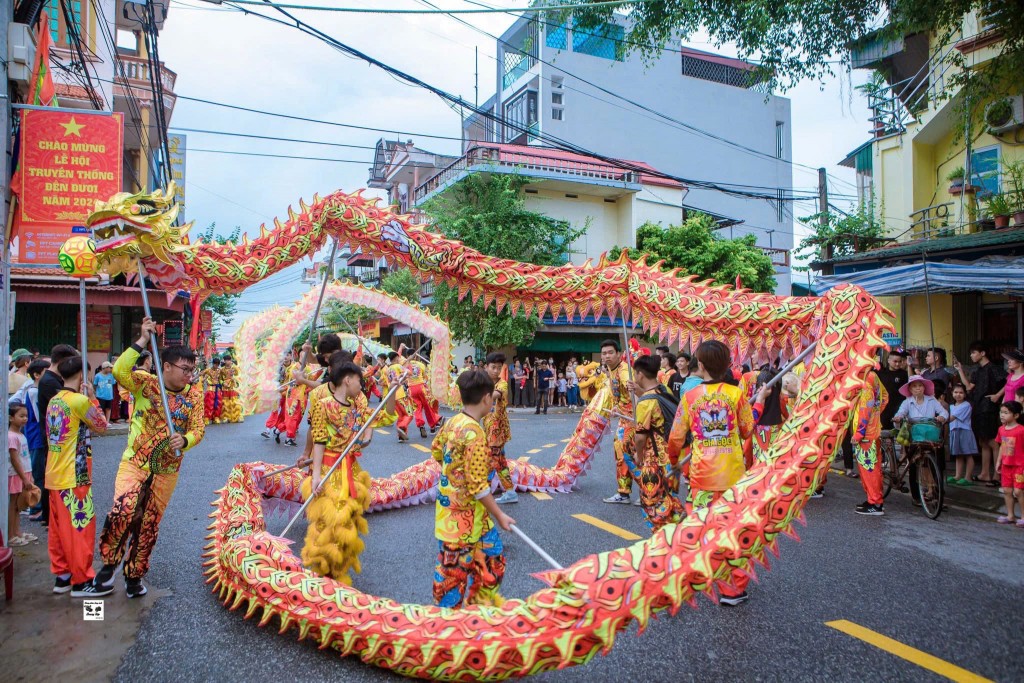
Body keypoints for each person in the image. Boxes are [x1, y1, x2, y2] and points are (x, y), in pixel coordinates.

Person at [93, 318, 205, 598]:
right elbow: (119, 370)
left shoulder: (194, 395)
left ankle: (135, 575)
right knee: (124, 509)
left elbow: (199, 428)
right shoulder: (145, 384)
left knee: (148, 525)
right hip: (135, 463)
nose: (189, 374)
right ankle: (109, 564)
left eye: (193, 369)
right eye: (185, 369)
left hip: (167, 471)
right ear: (166, 366)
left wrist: (187, 439)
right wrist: (142, 340)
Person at [666, 340, 756, 606]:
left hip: (702, 478)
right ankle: (733, 589)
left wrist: (674, 461)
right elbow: (747, 430)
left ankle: (698, 576)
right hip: (733, 478)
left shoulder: (690, 397)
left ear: (701, 366)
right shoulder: (736, 394)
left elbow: (675, 438)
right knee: (735, 532)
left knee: (704, 529)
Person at [302, 361, 393, 583]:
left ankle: (339, 571)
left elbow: (387, 415)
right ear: (347, 379)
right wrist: (315, 477)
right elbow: (320, 441)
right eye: (359, 381)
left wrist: (393, 389)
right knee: (327, 523)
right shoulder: (322, 405)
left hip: (351, 471)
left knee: (347, 524)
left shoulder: (358, 409)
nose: (362, 386)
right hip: (329, 470)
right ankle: (322, 571)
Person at [432, 370, 515, 608]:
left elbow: (436, 450)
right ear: (487, 399)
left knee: (492, 562)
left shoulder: (453, 422)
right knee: (452, 580)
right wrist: (500, 515)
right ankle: (449, 631)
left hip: (466, 516)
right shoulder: (476, 435)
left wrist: (454, 475)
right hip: (460, 523)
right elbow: (479, 487)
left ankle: (476, 613)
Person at [45, 356, 109, 597]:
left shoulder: (55, 400)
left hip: (54, 472)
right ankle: (82, 581)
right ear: (83, 375)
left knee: (59, 530)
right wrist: (92, 396)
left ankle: (62, 576)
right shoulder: (79, 401)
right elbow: (101, 425)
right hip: (74, 474)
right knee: (80, 529)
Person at [630, 355, 684, 531]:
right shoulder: (664, 390)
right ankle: (682, 538)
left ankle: (665, 544)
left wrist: (638, 457)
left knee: (653, 505)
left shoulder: (646, 402)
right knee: (671, 500)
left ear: (639, 375)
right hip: (673, 457)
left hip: (654, 461)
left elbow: (640, 437)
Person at [35, 344, 81, 527]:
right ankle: (49, 516)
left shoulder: (51, 379)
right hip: (53, 435)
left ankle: (53, 515)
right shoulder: (50, 382)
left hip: (56, 434)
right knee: (52, 475)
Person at [953, 341, 1005, 486]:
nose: (971, 355)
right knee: (983, 441)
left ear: (982, 353)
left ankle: (997, 474)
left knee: (993, 442)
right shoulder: (978, 371)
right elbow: (968, 387)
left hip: (989, 407)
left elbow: (1009, 381)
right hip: (978, 407)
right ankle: (984, 473)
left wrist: (997, 395)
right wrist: (960, 370)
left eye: (974, 352)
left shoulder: (994, 368)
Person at [598, 340, 637, 504]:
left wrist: (637, 419)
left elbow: (635, 393)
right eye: (604, 353)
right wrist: (616, 407)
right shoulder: (611, 369)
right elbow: (620, 395)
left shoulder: (625, 372)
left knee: (628, 456)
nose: (607, 356)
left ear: (619, 354)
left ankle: (646, 494)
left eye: (610, 352)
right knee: (624, 455)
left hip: (633, 421)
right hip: (624, 418)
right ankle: (625, 492)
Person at [847, 371, 890, 516]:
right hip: (873, 429)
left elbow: (865, 408)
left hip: (866, 433)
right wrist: (876, 415)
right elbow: (884, 397)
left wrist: (860, 431)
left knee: (869, 468)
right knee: (872, 467)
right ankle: (874, 500)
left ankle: (875, 503)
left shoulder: (865, 380)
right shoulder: (873, 376)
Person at [13, 359, 48, 518]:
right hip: (36, 436)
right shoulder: (34, 391)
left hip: (34, 436)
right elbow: (38, 416)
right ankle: (35, 507)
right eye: (46, 372)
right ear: (36, 374)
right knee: (36, 472)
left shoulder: (31, 389)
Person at [482, 352, 517, 504]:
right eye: (493, 367)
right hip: (488, 429)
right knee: (496, 461)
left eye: (499, 368)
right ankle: (506, 492)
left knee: (494, 460)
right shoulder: (483, 383)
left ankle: (489, 493)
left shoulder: (501, 384)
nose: (496, 371)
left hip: (497, 430)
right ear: (486, 367)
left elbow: (494, 395)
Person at [8, 402, 36, 547]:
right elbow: (14, 458)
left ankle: (17, 532)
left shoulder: (20, 434)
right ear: (11, 418)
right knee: (13, 505)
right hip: (16, 474)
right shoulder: (11, 436)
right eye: (21, 416)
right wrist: (24, 478)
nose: (25, 418)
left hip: (24, 473)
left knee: (19, 505)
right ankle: (11, 534)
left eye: (26, 415)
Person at [994, 401, 1024, 526]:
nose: (1002, 415)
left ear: (1016, 415)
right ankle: (1010, 515)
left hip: (1019, 465)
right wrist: (998, 461)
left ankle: (1023, 516)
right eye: (1001, 412)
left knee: (1018, 491)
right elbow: (1002, 446)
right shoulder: (1001, 429)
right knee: (1007, 490)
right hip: (1006, 465)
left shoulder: (1021, 430)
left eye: (1006, 413)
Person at [404, 348, 442, 438]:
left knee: (417, 408)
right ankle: (433, 424)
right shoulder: (421, 364)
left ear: (407, 356)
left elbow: (404, 379)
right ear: (416, 356)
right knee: (427, 406)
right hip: (421, 387)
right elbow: (426, 377)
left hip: (411, 389)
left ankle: (421, 425)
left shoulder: (405, 366)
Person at [947, 385, 978, 486]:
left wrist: (940, 419)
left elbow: (951, 418)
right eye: (956, 392)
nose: (958, 394)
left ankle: (968, 478)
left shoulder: (966, 405)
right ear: (952, 393)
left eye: (961, 393)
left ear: (965, 394)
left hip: (964, 431)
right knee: (958, 455)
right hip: (954, 430)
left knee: (968, 454)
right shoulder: (951, 406)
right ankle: (957, 476)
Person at [261, 349, 294, 442]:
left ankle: (277, 429)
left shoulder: (294, 368)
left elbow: (293, 383)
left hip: (288, 394)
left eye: (287, 355)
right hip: (277, 393)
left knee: (284, 414)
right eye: (284, 355)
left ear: (291, 356)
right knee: (274, 411)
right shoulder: (278, 367)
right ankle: (267, 430)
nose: (285, 357)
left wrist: (284, 388)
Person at [384, 350, 415, 443]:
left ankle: (401, 436)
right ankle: (402, 427)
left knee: (401, 416)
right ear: (396, 358)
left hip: (393, 395)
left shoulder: (387, 370)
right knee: (409, 414)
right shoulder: (398, 366)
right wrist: (408, 363)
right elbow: (409, 372)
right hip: (402, 393)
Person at [220, 356, 243, 423]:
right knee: (225, 402)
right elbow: (220, 379)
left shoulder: (235, 368)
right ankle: (226, 417)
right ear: (224, 361)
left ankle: (237, 416)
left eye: (228, 360)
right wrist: (223, 383)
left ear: (231, 360)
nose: (227, 362)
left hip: (233, 387)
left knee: (235, 402)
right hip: (225, 388)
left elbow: (239, 377)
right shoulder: (222, 370)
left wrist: (234, 379)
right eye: (226, 360)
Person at [202, 357, 224, 424]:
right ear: (213, 364)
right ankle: (207, 418)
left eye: (217, 365)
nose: (216, 366)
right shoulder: (208, 370)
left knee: (218, 403)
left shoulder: (219, 371)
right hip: (210, 389)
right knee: (209, 403)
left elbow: (221, 379)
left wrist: (223, 383)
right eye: (215, 364)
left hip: (217, 389)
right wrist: (204, 379)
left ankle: (216, 417)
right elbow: (201, 375)